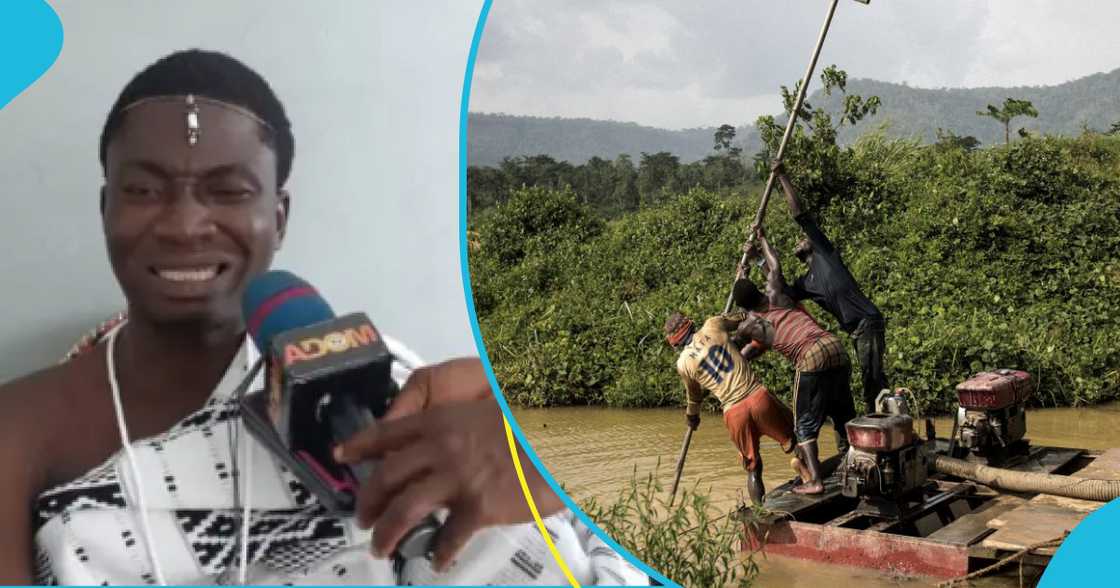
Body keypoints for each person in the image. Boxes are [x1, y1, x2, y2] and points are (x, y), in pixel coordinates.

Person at [0, 50, 646, 586]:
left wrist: (547, 466)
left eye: (228, 191)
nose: (185, 226)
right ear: (106, 207)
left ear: (277, 218)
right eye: (143, 191)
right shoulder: (18, 430)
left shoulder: (404, 382)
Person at [733, 228, 856, 495]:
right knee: (842, 411)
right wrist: (762, 239)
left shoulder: (750, 325)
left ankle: (814, 480)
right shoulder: (778, 294)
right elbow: (774, 265)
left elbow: (737, 341)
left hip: (809, 355)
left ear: (744, 308)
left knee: (803, 423)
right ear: (759, 289)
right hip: (834, 347)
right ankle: (853, 459)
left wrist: (740, 277)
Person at [771, 160, 889, 413]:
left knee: (872, 379)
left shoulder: (825, 252)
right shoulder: (806, 284)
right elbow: (777, 289)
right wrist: (761, 253)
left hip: (867, 322)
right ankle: (882, 418)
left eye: (802, 239)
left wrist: (782, 177)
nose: (798, 241)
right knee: (873, 378)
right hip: (857, 331)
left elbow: (799, 213)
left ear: (810, 244)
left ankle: (880, 423)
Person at [663, 311, 800, 505]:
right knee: (797, 438)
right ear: (691, 324)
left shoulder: (683, 363)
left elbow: (694, 397)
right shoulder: (713, 324)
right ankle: (812, 476)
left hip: (733, 413)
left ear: (675, 343)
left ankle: (759, 509)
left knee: (752, 468)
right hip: (757, 397)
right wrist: (737, 338)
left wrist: (692, 417)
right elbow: (743, 318)